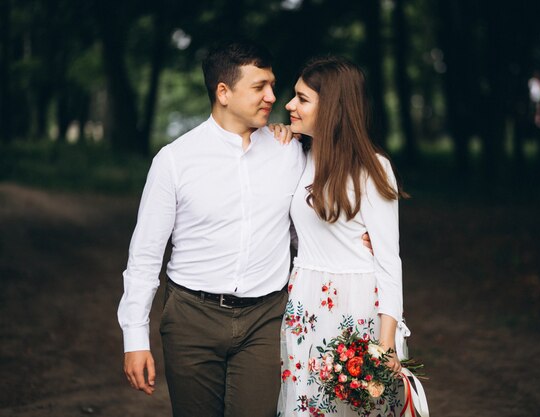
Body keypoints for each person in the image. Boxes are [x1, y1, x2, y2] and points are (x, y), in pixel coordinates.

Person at [117, 40, 306, 417]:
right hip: (191, 319)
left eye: (272, 84)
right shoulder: (175, 161)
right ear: (223, 91)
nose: (272, 96)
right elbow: (145, 255)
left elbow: (309, 226)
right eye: (259, 87)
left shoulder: (290, 151)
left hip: (265, 319)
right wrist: (134, 339)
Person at [277, 56, 406, 416]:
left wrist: (386, 342)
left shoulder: (372, 168)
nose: (289, 105)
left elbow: (388, 260)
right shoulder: (297, 154)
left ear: (331, 106)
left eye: (302, 99)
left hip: (357, 308)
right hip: (305, 302)